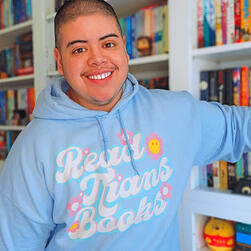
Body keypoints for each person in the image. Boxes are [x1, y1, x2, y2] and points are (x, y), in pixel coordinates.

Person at [0, 0, 250, 250]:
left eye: (108, 44)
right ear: (59, 61)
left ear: (124, 48)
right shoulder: (31, 149)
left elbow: (240, 127)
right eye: (78, 50)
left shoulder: (176, 113)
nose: (97, 59)